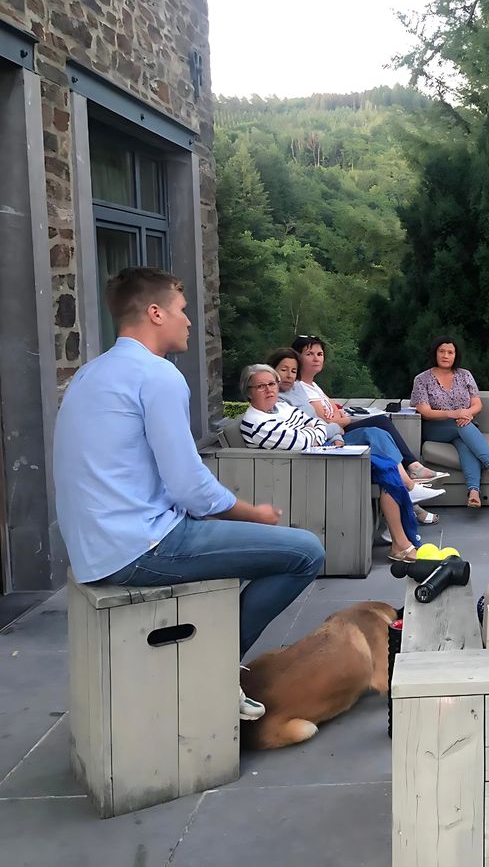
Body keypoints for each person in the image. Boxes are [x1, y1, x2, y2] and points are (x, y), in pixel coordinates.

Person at [53, 268, 324, 723]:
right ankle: (213, 666)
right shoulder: (157, 375)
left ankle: (205, 651)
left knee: (235, 544)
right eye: (181, 310)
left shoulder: (89, 374)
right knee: (305, 552)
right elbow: (190, 486)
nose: (189, 321)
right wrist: (253, 514)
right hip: (139, 546)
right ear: (155, 313)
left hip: (93, 547)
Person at [239, 364, 424, 561]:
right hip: (305, 470)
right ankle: (402, 541)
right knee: (387, 470)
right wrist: (326, 431)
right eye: (261, 386)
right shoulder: (256, 423)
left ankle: (401, 541)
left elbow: (316, 423)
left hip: (322, 455)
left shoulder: (281, 407)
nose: (269, 390)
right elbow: (301, 441)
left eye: (272, 384)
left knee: (387, 465)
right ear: (248, 392)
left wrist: (322, 432)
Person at [266, 346, 444, 520]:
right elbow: (315, 426)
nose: (289, 375)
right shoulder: (276, 399)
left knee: (379, 434)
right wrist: (336, 429)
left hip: (331, 438)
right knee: (377, 437)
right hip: (315, 448)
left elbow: (318, 420)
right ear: (272, 371)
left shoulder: (298, 389)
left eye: (293, 371)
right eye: (283, 370)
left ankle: (408, 490)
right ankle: (409, 487)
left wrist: (336, 433)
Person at [289, 334, 444, 484]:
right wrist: (343, 419)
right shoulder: (299, 388)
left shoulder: (313, 386)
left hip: (339, 430)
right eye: (309, 354)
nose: (316, 358)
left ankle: (411, 469)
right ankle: (411, 469)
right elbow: (328, 421)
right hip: (331, 439)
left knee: (381, 425)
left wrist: (340, 417)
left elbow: (336, 410)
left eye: (319, 354)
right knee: (379, 425)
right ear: (297, 358)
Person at [411, 335, 489, 509]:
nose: (446, 355)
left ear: (455, 355)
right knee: (461, 425)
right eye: (442, 351)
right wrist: (454, 414)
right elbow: (425, 412)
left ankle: (473, 492)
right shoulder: (422, 379)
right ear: (435, 353)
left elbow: (477, 404)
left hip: (463, 425)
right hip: (434, 428)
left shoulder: (465, 375)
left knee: (464, 441)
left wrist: (466, 414)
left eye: (450, 352)